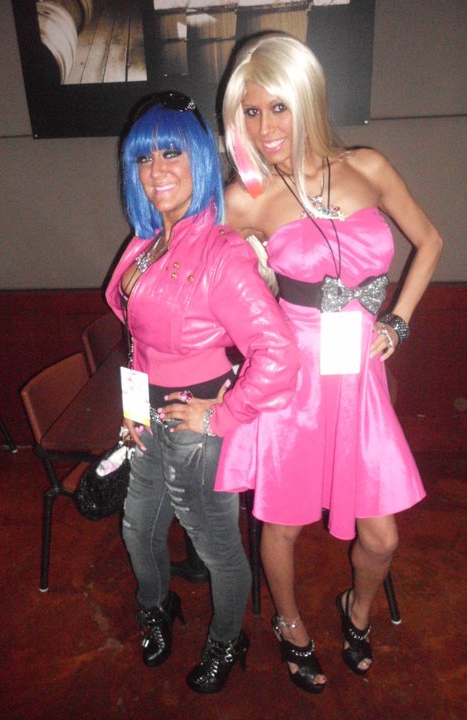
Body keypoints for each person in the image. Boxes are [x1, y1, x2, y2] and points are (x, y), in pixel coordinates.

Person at [216, 33, 443, 692]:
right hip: (291, 381)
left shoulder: (367, 166)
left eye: (278, 107)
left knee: (382, 538)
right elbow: (207, 290)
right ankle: (290, 625)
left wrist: (398, 320)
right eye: (251, 112)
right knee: (281, 524)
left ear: (308, 100)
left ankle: (357, 607)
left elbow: (430, 241)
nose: (266, 127)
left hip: (358, 378)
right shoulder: (243, 198)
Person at [105, 91, 300, 693]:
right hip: (149, 415)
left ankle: (227, 639)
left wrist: (221, 417)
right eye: (144, 158)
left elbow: (280, 354)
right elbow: (139, 342)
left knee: (215, 548)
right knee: (138, 529)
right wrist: (132, 411)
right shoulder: (145, 244)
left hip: (199, 428)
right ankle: (156, 607)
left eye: (171, 154)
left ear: (199, 160)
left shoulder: (221, 251)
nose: (156, 170)